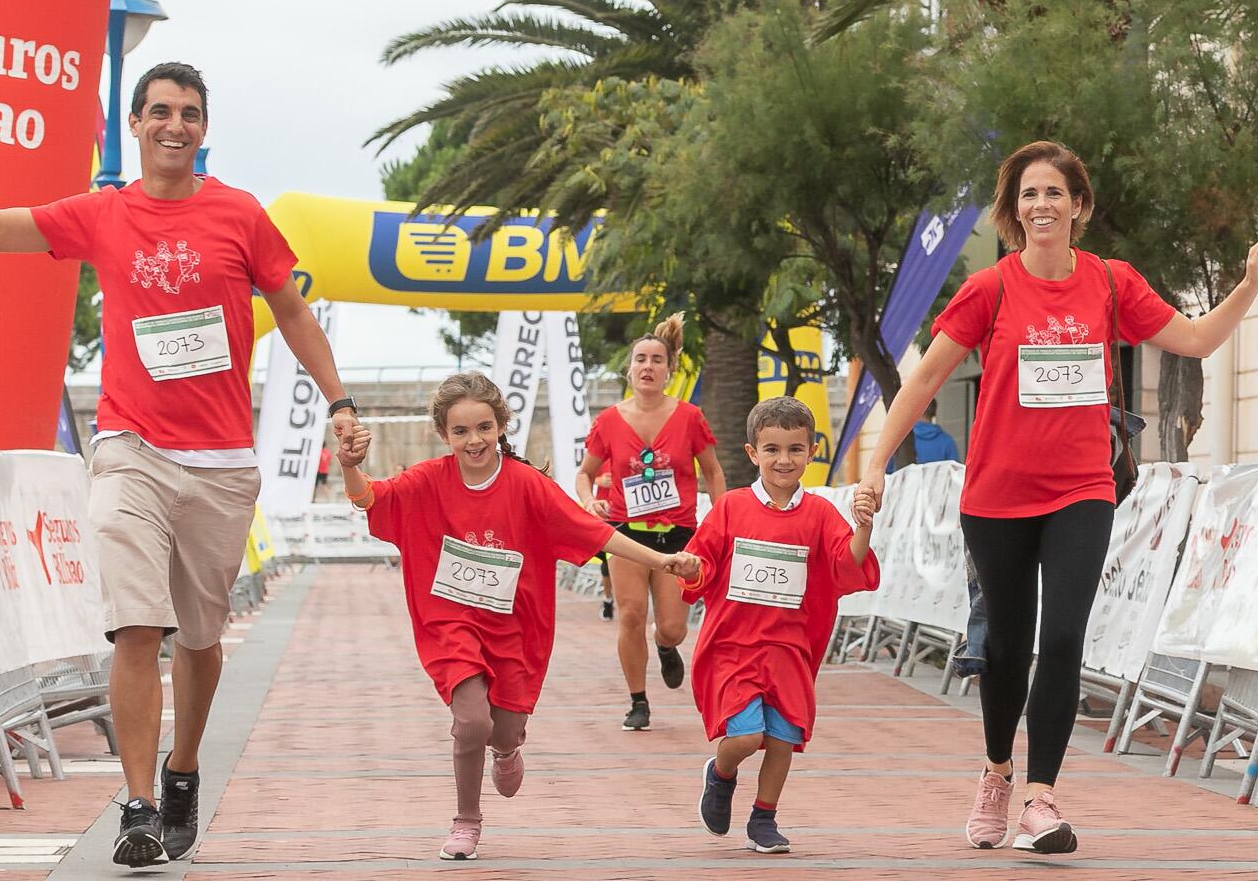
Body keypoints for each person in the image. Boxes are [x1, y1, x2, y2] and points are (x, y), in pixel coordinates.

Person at [0, 63, 364, 868]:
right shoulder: (102, 214)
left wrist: (339, 403)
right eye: (160, 111)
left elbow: (295, 311)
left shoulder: (240, 215)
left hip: (221, 461)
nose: (175, 124)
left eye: (190, 113)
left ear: (205, 130)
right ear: (131, 126)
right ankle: (135, 806)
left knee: (201, 640)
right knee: (137, 625)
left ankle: (182, 769)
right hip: (130, 449)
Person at [864, 140, 1258, 855]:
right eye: (1029, 194)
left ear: (1079, 205)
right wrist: (874, 465)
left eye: (1055, 192)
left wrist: (1247, 285)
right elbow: (925, 381)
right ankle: (997, 772)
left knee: (1060, 639)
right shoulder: (989, 289)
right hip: (995, 494)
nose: (1042, 205)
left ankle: (1040, 799)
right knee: (1004, 646)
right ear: (1013, 211)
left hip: (1082, 489)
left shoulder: (1110, 284)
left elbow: (1195, 339)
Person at [334, 373, 695, 861]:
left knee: (500, 729)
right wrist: (350, 467)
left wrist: (661, 560)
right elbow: (370, 499)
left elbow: (595, 533)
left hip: (516, 630)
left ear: (500, 425)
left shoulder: (528, 486)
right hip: (450, 625)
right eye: (461, 432)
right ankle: (466, 820)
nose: (474, 440)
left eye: (483, 427)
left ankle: (508, 747)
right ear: (444, 435)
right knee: (471, 721)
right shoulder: (427, 480)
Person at [681, 397, 881, 854]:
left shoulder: (820, 515)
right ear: (753, 453)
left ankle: (764, 818)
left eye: (795, 449)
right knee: (747, 736)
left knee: (784, 736)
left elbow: (846, 566)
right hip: (734, 646)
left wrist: (863, 527)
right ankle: (722, 773)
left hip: (790, 649)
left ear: (812, 452)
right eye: (772, 449)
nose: (784, 460)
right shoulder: (731, 507)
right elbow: (703, 563)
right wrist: (689, 567)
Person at [574, 313, 727, 730]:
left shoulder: (690, 417)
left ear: (668, 369)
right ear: (630, 369)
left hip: (678, 535)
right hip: (625, 534)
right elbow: (584, 473)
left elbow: (711, 471)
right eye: (640, 359)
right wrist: (590, 502)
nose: (647, 366)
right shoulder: (607, 421)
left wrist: (723, 516)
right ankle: (638, 701)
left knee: (675, 628)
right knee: (630, 614)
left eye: (656, 360)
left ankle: (664, 646)